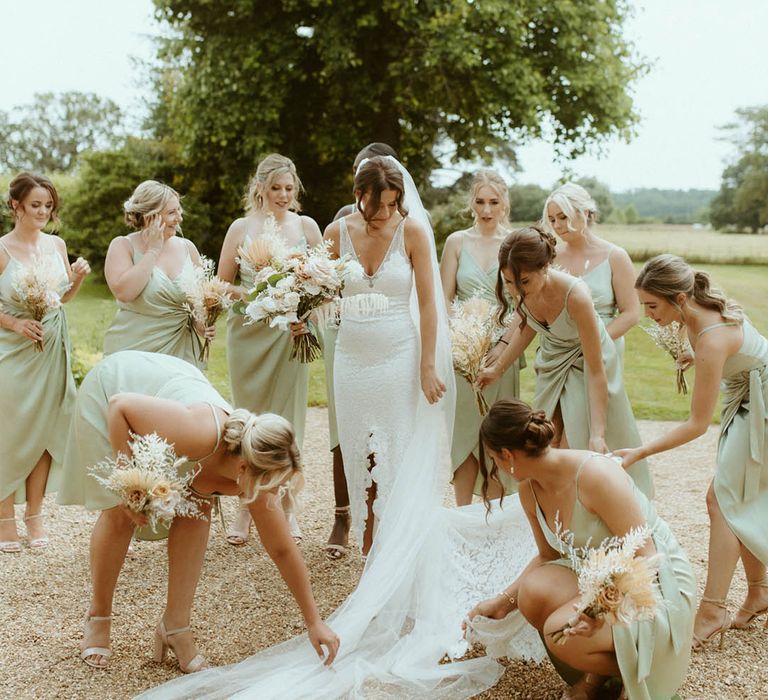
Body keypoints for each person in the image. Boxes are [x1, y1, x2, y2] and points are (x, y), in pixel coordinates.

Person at [136, 156, 544, 700]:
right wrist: (301, 305)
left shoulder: (415, 231)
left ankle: (402, 573)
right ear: (358, 197)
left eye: (387, 208)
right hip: (351, 361)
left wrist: (428, 364)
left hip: (401, 357)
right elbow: (318, 287)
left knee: (398, 464)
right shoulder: (335, 230)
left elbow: (428, 300)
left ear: (399, 200)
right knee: (361, 465)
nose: (378, 218)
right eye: (371, 208)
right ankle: (375, 562)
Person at [56, 350, 338, 671]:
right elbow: (120, 405)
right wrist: (128, 478)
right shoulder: (198, 434)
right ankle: (99, 615)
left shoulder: (253, 469)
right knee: (122, 511)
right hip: (115, 389)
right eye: (273, 486)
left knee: (197, 507)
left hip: (170, 399)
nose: (274, 496)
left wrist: (314, 622)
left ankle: (175, 626)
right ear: (244, 468)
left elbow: (282, 549)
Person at [468, 399, 695, 700]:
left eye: (494, 459)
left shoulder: (595, 475)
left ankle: (643, 674)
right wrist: (501, 603)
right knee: (533, 594)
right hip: (598, 575)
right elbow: (549, 557)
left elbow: (647, 554)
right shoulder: (529, 489)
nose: (497, 467)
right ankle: (605, 674)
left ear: (507, 454)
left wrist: (597, 610)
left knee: (559, 632)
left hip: (653, 582)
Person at [617, 254, 768, 651]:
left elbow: (697, 425)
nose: (647, 314)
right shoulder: (699, 315)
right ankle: (760, 591)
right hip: (750, 397)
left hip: (763, 407)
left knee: (722, 498)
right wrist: (696, 359)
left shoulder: (712, 336)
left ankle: (713, 609)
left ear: (680, 298)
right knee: (733, 497)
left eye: (653, 305)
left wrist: (640, 451)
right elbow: (738, 355)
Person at [477, 226, 653, 498]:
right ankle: (553, 516)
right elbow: (526, 329)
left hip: (587, 361)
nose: (517, 292)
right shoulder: (523, 292)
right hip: (552, 363)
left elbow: (596, 370)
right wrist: (496, 370)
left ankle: (585, 511)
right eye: (509, 282)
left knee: (576, 441)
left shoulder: (576, 296)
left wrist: (598, 432)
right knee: (547, 442)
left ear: (546, 267)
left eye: (524, 281)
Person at [217, 154, 322, 546]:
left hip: (289, 335)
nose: (282, 195)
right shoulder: (241, 227)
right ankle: (246, 503)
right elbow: (223, 283)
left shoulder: (307, 226)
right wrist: (255, 293)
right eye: (275, 187)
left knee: (287, 418)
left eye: (288, 188)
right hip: (249, 333)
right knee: (247, 419)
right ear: (259, 187)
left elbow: (323, 284)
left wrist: (305, 316)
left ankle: (287, 503)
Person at [0, 172, 90, 552]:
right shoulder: (1, 249)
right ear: (16, 205)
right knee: (9, 430)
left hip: (52, 349)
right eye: (35, 204)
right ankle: (4, 518)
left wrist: (77, 278)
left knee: (45, 433)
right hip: (12, 350)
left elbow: (62, 298)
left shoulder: (56, 244)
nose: (43, 211)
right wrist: (16, 322)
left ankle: (34, 516)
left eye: (48, 205)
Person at [320, 143, 398, 560]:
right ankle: (342, 514)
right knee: (343, 428)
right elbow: (322, 285)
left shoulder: (405, 225)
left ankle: (385, 519)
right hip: (342, 331)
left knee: (384, 430)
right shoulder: (341, 224)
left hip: (389, 335)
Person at [440, 169, 522, 505]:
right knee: (463, 431)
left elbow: (524, 303)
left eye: (494, 202)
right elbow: (443, 298)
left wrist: (502, 344)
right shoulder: (456, 242)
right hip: (462, 348)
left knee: (498, 430)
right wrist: (460, 338)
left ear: (505, 204)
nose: (486, 210)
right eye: (480, 202)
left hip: (502, 348)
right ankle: (462, 514)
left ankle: (494, 515)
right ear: (471, 203)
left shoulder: (515, 242)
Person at [102, 180, 215, 368]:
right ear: (149, 217)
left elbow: (198, 304)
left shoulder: (188, 248)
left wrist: (202, 324)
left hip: (181, 354)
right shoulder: (122, 245)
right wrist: (153, 251)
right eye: (171, 212)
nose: (179, 218)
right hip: (134, 352)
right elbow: (124, 293)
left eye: (179, 210)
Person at [543, 182, 639, 356]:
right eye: (552, 220)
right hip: (556, 352)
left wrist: (591, 345)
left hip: (602, 351)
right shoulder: (549, 258)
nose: (556, 225)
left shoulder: (616, 256)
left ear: (585, 213)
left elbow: (631, 314)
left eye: (563, 217)